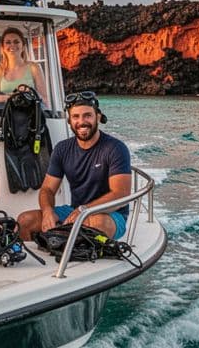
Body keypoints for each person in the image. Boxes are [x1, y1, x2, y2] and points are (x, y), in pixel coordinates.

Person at [17, 91, 130, 241]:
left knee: (96, 223)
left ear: (98, 117)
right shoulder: (62, 149)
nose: (82, 121)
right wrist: (47, 211)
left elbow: (120, 194)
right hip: (76, 211)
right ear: (69, 121)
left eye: (87, 115)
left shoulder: (115, 148)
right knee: (25, 220)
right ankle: (47, 258)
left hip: (110, 214)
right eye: (76, 116)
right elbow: (47, 189)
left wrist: (85, 210)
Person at [0, 27, 46, 102]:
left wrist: (29, 94)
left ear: (23, 47)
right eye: (8, 42)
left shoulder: (33, 67)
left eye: (16, 42)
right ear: (3, 48)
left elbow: (44, 98)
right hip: (5, 113)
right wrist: (17, 96)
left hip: (30, 112)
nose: (12, 45)